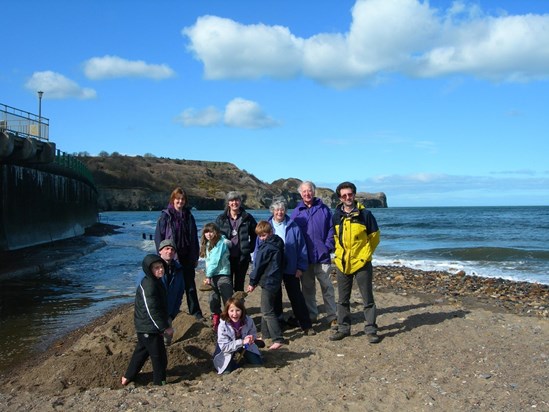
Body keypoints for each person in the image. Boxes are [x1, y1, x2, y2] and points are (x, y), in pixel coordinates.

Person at [329, 182, 381, 343]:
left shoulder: (366, 215)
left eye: (350, 194)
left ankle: (371, 329)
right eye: (344, 195)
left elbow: (374, 237)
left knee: (367, 299)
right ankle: (344, 328)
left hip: (362, 263)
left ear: (354, 195)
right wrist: (338, 255)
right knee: (342, 299)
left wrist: (365, 255)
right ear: (340, 198)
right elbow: (335, 238)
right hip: (343, 263)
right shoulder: (336, 215)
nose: (347, 197)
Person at [290, 181, 337, 328]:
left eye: (309, 191)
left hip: (322, 256)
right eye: (304, 192)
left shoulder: (324, 209)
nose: (307, 194)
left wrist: (328, 246)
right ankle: (312, 315)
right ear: (300, 194)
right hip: (305, 258)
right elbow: (292, 234)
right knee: (308, 289)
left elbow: (332, 229)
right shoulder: (296, 212)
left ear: (314, 191)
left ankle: (332, 316)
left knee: (327, 287)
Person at [121, 254, 173, 386]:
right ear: (149, 270)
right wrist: (164, 327)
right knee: (159, 357)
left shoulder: (156, 281)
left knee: (141, 352)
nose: (160, 270)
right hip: (148, 327)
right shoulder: (149, 284)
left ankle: (127, 377)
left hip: (148, 326)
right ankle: (159, 383)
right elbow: (152, 310)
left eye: (161, 267)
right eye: (156, 268)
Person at [265, 200, 315, 335]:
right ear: (272, 211)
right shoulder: (266, 226)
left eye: (282, 210)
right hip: (272, 268)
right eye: (277, 210)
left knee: (296, 296)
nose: (279, 212)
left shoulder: (293, 226)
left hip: (291, 267)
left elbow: (302, 248)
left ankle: (306, 325)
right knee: (275, 297)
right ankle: (278, 323)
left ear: (285, 211)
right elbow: (259, 248)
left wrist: (300, 267)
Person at [155, 187, 204, 321]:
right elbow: (158, 237)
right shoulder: (165, 216)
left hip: (187, 256)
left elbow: (194, 238)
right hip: (171, 257)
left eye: (182, 199)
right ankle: (167, 314)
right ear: (173, 199)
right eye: (178, 199)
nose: (180, 201)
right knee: (169, 287)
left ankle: (196, 313)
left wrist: (195, 256)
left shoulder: (189, 216)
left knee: (190, 287)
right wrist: (160, 256)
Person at [246, 221, 285, 350]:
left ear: (270, 232)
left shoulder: (266, 248)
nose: (262, 238)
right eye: (260, 236)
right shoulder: (278, 243)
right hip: (275, 280)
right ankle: (265, 334)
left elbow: (259, 267)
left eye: (264, 235)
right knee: (266, 309)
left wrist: (252, 282)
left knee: (267, 311)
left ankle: (278, 339)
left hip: (269, 280)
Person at [216, 191, 257, 292]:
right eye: (231, 200)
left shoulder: (247, 217)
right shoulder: (221, 218)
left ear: (240, 202)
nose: (234, 203)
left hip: (242, 258)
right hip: (226, 257)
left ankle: (239, 306)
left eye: (236, 200)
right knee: (227, 284)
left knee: (239, 285)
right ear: (228, 203)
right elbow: (215, 236)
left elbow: (256, 234)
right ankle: (230, 307)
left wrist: (250, 248)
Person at [213, 297, 264, 374]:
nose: (235, 314)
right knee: (226, 372)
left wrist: (251, 337)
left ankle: (254, 349)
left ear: (242, 311)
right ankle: (230, 361)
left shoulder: (248, 320)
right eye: (231, 311)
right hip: (227, 347)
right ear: (227, 311)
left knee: (257, 362)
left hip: (244, 345)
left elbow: (253, 333)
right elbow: (224, 347)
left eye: (238, 310)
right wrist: (242, 342)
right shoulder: (222, 325)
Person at [199, 222, 233, 332]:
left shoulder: (221, 243)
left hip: (222, 274)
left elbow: (214, 261)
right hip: (212, 275)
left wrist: (208, 276)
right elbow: (208, 262)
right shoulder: (208, 244)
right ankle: (216, 321)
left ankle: (231, 322)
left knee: (227, 300)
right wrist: (208, 275)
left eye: (211, 232)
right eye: (206, 232)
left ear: (216, 232)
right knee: (213, 300)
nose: (208, 234)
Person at [157, 239, 185, 346]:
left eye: (172, 250)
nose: (169, 251)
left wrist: (174, 312)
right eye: (167, 249)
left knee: (166, 342)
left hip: (169, 312)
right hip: (155, 312)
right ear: (160, 251)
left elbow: (180, 293)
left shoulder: (178, 269)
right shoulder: (153, 267)